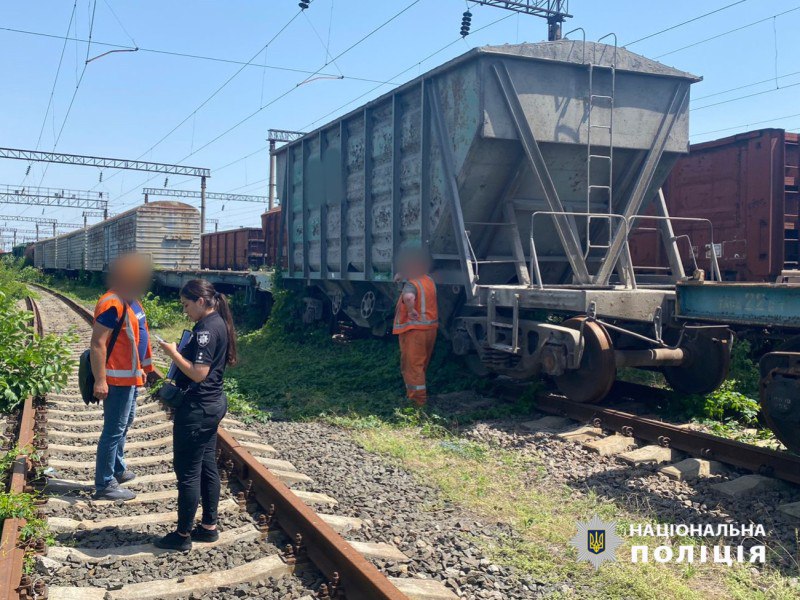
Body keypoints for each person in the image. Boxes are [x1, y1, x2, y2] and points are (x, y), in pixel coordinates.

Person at [154, 279, 237, 552]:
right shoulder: (218, 323)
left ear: (201, 301)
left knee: (188, 473)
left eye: (186, 305)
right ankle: (209, 527)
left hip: (198, 409)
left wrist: (173, 353)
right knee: (206, 466)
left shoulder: (206, 330)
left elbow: (198, 373)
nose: (185, 310)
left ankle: (182, 535)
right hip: (213, 405)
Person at [91, 253, 156, 501]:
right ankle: (105, 483)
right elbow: (98, 342)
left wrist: (145, 369)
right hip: (117, 379)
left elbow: (138, 337)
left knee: (124, 424)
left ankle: (117, 469)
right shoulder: (112, 302)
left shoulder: (131, 301)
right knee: (113, 430)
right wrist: (100, 380)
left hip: (131, 377)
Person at [392, 247, 438, 406]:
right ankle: (418, 397)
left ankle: (417, 402)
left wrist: (411, 311)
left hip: (414, 330)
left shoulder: (412, 284)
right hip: (430, 329)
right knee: (422, 363)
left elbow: (409, 296)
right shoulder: (429, 280)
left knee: (413, 366)